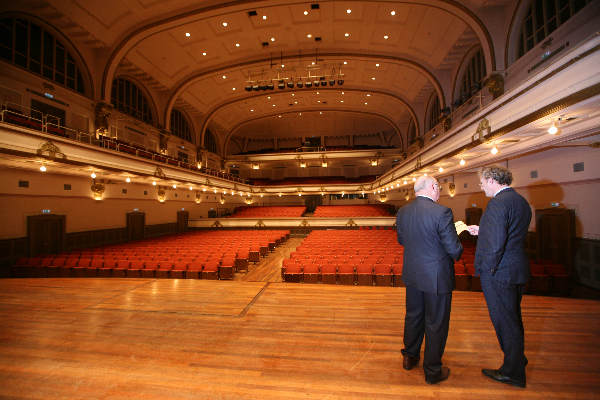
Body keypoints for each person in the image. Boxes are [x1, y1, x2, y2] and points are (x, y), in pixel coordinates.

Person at [467, 165, 531, 388]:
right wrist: (482, 230)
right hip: (516, 269)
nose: (481, 186)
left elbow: (495, 246)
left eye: (482, 182)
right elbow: (507, 234)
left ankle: (513, 372)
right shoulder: (520, 201)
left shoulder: (496, 203)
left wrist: (489, 270)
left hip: (500, 273)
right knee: (513, 319)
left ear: (492, 180)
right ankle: (517, 358)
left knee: (505, 322)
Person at [396, 176, 463, 384]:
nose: (439, 191)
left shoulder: (403, 211)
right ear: (433, 187)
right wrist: (458, 232)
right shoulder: (442, 212)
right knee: (436, 323)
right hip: (436, 277)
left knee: (414, 316)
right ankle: (432, 370)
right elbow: (455, 251)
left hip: (413, 274)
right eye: (438, 187)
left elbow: (402, 240)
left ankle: (410, 357)